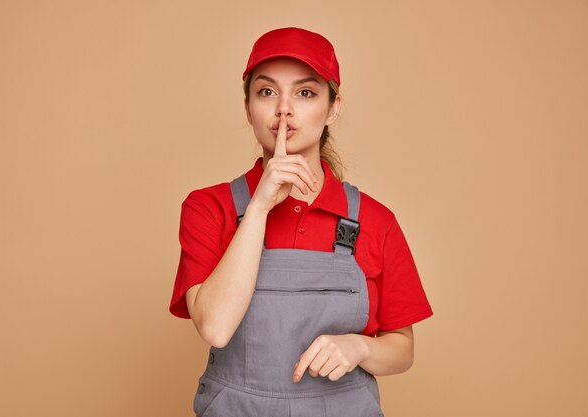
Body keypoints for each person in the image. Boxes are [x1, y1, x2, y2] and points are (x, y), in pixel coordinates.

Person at [169, 27, 433, 416]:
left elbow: (402, 350)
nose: (284, 109)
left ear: (333, 107)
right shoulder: (209, 208)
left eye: (305, 93)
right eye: (266, 92)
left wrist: (361, 347)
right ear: (248, 108)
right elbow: (215, 328)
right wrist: (258, 208)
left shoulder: (375, 221)